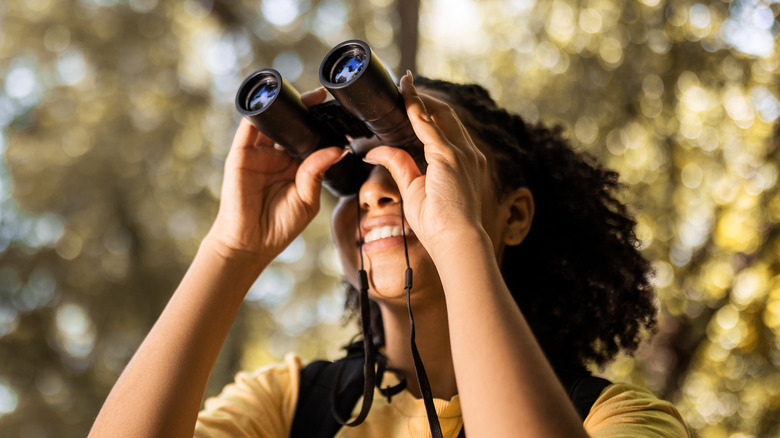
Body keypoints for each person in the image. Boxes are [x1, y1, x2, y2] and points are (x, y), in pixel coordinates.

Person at [89, 72, 689, 437]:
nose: (376, 187)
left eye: (416, 159)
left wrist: (458, 239)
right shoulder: (292, 405)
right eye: (353, 177)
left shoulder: (615, 419)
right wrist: (230, 249)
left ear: (513, 215)